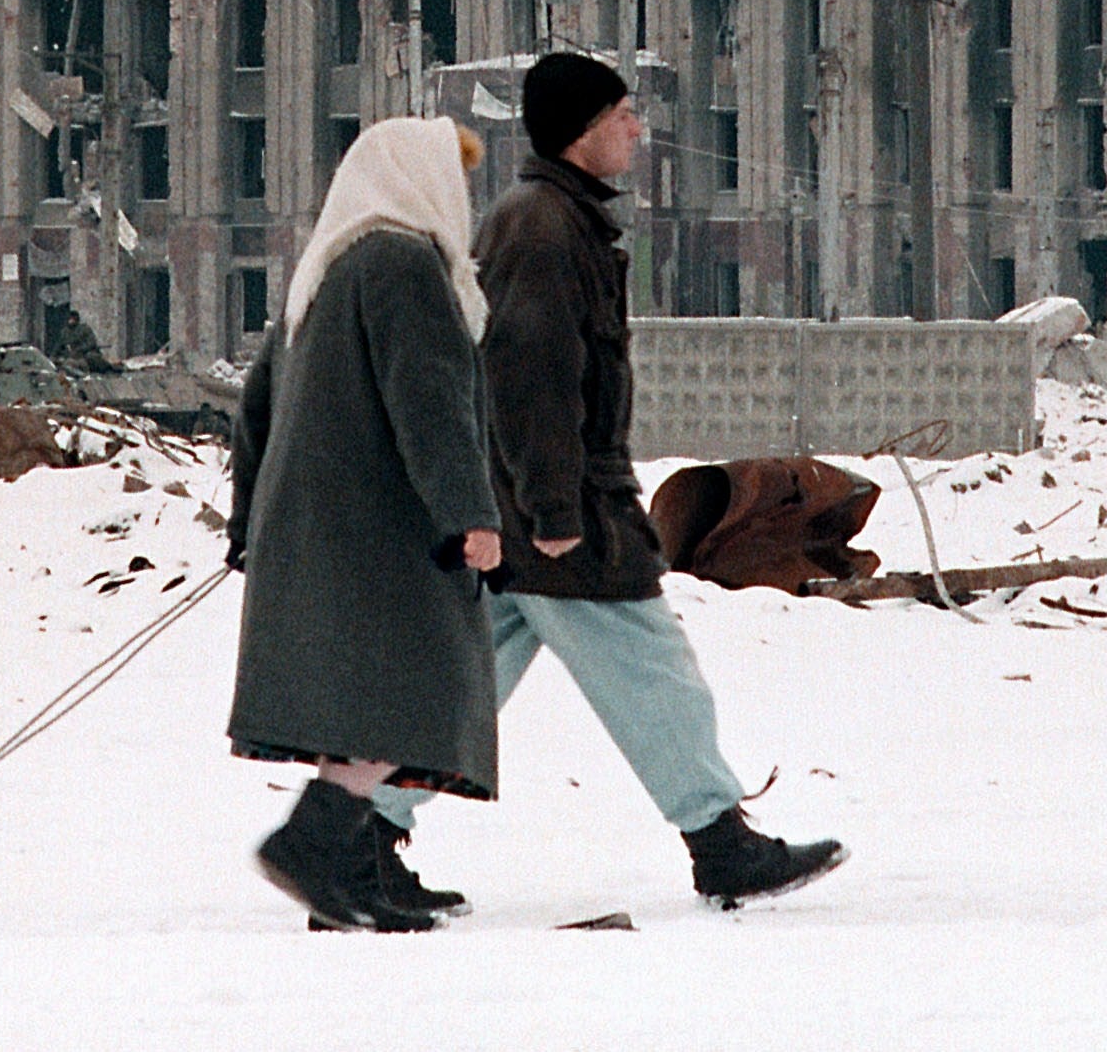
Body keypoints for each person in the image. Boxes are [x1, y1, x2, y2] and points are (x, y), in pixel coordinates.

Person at [377, 50, 845, 909]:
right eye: (623, 113)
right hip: (562, 507)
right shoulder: (542, 227)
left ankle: (348, 831)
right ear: (582, 130)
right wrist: (555, 505)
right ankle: (721, 842)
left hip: (530, 502)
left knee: (464, 674)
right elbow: (529, 377)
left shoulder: (555, 217)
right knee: (651, 666)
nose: (638, 127)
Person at [226, 116, 506, 932]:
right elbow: (433, 405)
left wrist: (248, 520)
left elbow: (254, 407)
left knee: (361, 699)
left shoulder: (326, 267)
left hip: (316, 524)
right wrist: (470, 515)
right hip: (379, 529)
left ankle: (346, 871)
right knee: (415, 688)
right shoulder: (403, 264)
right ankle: (313, 844)